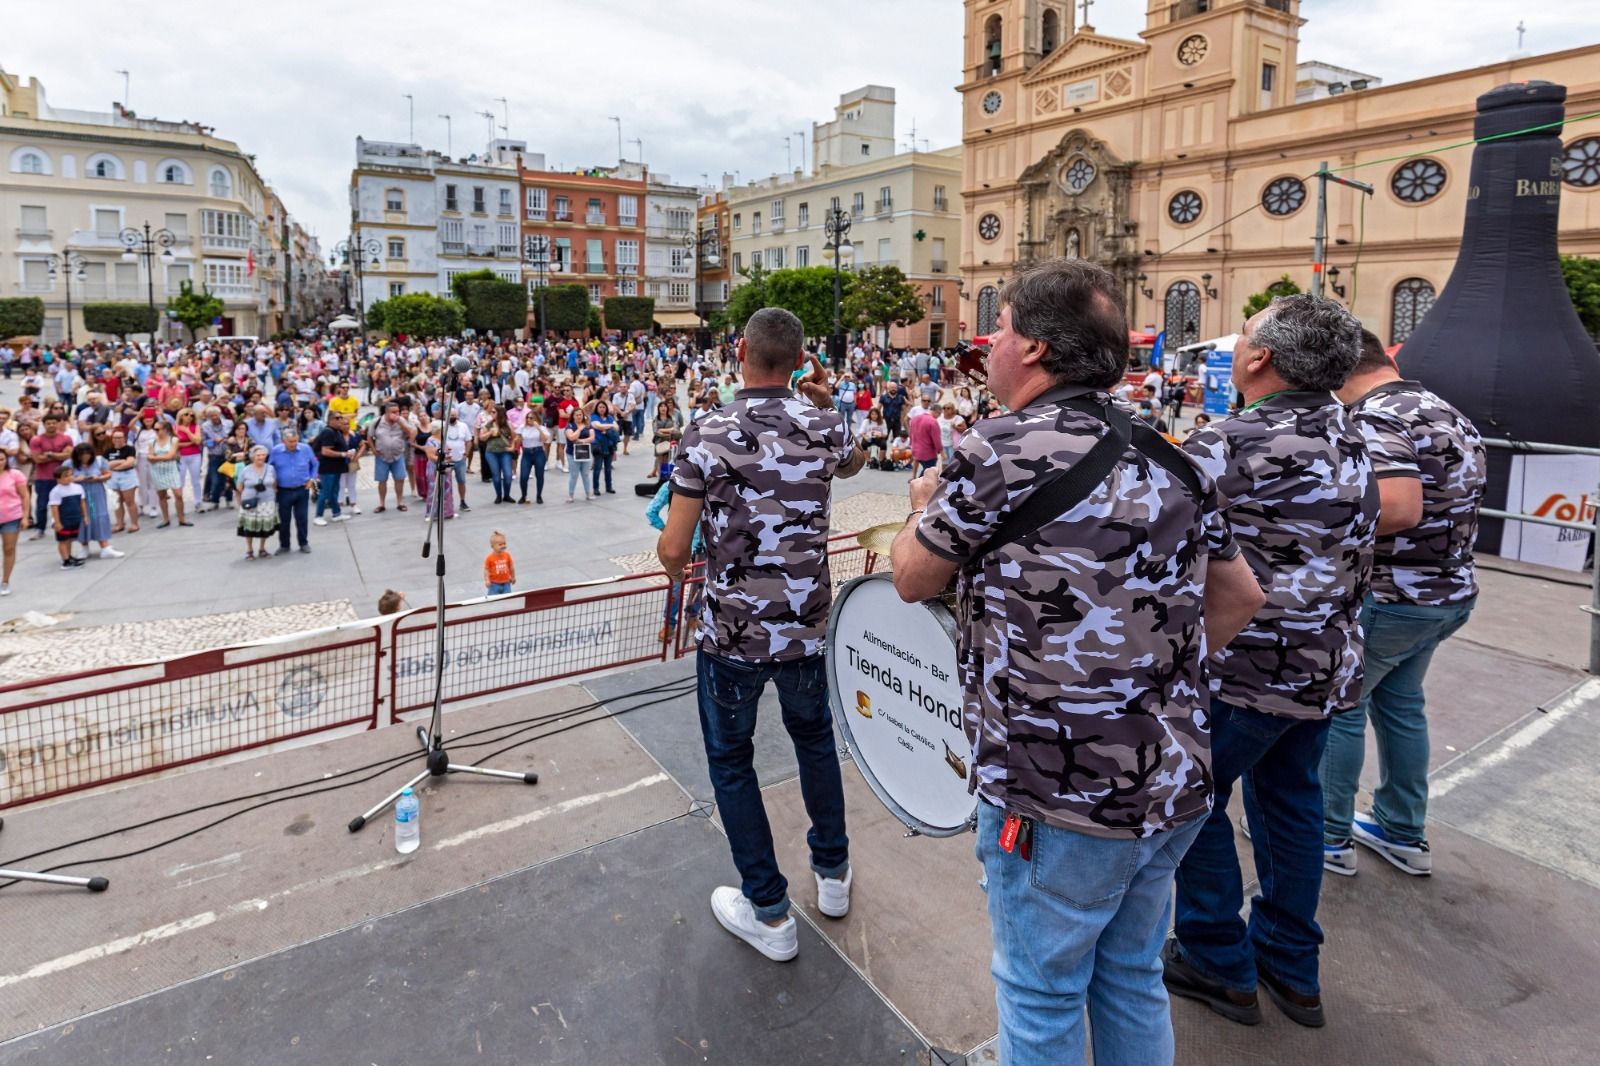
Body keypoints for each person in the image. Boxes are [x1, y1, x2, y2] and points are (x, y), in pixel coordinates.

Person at [887, 258, 1262, 1066]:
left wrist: (920, 511)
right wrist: (1145, 680)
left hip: (1058, 796)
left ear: (1035, 349)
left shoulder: (1000, 449)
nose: (987, 346)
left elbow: (914, 578)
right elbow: (1239, 598)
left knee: (1042, 994)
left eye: (1002, 328)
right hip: (1172, 777)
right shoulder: (1174, 455)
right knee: (1129, 977)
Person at [1165, 294, 1376, 1031]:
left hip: (1242, 670)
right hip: (1325, 665)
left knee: (1188, 804)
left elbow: (1162, 553)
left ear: (1259, 359)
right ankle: (1290, 963)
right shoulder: (1355, 435)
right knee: (1292, 807)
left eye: (1246, 337)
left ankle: (1217, 957)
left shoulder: (1227, 442)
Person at [656, 307, 867, 964]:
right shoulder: (825, 425)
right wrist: (829, 404)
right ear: (800, 360)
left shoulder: (708, 431)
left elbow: (672, 546)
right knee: (815, 744)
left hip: (732, 633)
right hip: (806, 626)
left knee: (731, 762)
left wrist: (691, 569)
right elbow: (855, 464)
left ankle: (769, 910)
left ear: (740, 349)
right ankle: (832, 874)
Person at [1320, 330, 1486, 877]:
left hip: (1394, 595)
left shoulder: (1374, 416)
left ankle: (1328, 835)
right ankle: (1400, 829)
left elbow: (1397, 506)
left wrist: (1319, 526)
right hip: (1446, 593)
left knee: (1342, 709)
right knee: (1401, 705)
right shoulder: (1442, 409)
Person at [66, 443, 123, 559]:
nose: (85, 458)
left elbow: (108, 474)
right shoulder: (69, 463)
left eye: (87, 455)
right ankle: (84, 547)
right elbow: (61, 478)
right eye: (82, 455)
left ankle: (104, 546)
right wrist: (76, 479)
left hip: (96, 491)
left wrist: (99, 478)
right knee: (82, 518)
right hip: (78, 493)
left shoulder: (99, 460)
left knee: (99, 516)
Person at [268, 429, 317, 555]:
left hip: (302, 489)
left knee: (302, 518)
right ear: (283, 441)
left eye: (295, 441)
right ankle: (284, 545)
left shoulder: (305, 448)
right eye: (290, 442)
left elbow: (315, 464)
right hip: (283, 491)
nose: (293, 444)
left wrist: (312, 479)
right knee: (284, 520)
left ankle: (303, 543)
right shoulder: (276, 451)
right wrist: (272, 482)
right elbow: (269, 467)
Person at [28, 413, 73, 538]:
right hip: (43, 477)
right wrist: (59, 454)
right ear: (44, 425)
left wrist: (50, 454)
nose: (51, 425)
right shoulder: (36, 439)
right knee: (42, 504)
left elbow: (69, 455)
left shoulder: (66, 438)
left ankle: (65, 526)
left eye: (54, 423)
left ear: (58, 424)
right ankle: (40, 529)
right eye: (48, 423)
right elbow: (37, 459)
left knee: (65, 503)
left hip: (62, 477)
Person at [235, 445, 279, 560]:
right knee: (249, 527)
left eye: (263, 455)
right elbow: (239, 487)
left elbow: (274, 483)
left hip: (267, 501)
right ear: (252, 456)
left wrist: (272, 493)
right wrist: (245, 497)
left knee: (264, 526)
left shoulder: (270, 468)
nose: (261, 457)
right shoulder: (245, 470)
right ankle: (249, 550)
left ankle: (262, 549)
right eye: (258, 455)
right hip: (251, 502)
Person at [312, 412, 354, 526]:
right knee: (325, 492)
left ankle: (336, 513)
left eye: (341, 417)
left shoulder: (336, 432)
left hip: (336, 467)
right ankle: (318, 516)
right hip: (328, 467)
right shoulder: (328, 432)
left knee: (334, 491)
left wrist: (346, 452)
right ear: (330, 420)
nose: (340, 420)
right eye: (337, 418)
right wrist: (343, 454)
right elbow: (326, 451)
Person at [371, 402, 413, 513]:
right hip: (382, 456)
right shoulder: (377, 421)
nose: (396, 414)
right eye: (393, 412)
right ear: (386, 412)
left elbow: (410, 432)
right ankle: (381, 503)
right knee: (382, 480)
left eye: (397, 411)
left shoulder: (401, 420)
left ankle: (400, 502)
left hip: (398, 455)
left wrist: (399, 421)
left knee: (399, 479)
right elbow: (369, 436)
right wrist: (373, 449)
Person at [148, 420, 192, 528]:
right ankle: (165, 519)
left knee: (178, 494)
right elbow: (149, 457)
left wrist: (156, 457)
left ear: (165, 429)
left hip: (171, 469)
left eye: (157, 429)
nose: (155, 431)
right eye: (155, 429)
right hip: (157, 471)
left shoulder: (174, 440)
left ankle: (182, 519)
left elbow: (170, 455)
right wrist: (163, 457)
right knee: (162, 495)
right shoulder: (152, 442)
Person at [48, 465, 87, 569]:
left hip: (75, 518)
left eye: (71, 475)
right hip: (63, 520)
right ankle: (65, 561)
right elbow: (54, 508)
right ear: (58, 478)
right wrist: (57, 522)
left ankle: (69, 557)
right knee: (63, 540)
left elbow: (82, 503)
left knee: (69, 539)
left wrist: (85, 516)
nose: (69, 477)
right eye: (65, 476)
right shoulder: (56, 491)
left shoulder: (78, 487)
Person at [0, 459, 28, 594]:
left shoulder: (15, 474)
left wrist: (25, 516)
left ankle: (5, 581)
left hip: (11, 517)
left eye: (1, 459)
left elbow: (25, 496)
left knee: (9, 549)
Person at [106, 427, 141, 533]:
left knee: (129, 500)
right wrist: (121, 461)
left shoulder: (130, 449)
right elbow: (106, 464)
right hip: (113, 477)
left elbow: (130, 462)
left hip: (127, 475)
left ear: (124, 438)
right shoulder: (108, 451)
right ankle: (120, 523)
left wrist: (115, 465)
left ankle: (134, 524)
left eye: (120, 437)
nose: (117, 440)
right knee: (117, 501)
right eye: (115, 438)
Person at [479, 405, 516, 504]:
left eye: (494, 412)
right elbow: (481, 438)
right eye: (491, 412)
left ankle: (507, 495)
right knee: (496, 475)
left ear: (500, 413)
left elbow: (515, 437)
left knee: (508, 475)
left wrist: (512, 447)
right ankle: (498, 495)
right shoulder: (489, 424)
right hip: (491, 452)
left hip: (505, 452)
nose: (492, 414)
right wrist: (490, 433)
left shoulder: (507, 424)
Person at [517, 402, 552, 505]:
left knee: (539, 475)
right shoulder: (522, 427)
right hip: (527, 453)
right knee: (523, 476)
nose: (529, 420)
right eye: (528, 418)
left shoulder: (542, 428)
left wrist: (538, 428)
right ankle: (523, 495)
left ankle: (539, 495)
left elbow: (545, 439)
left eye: (531, 418)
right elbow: (518, 439)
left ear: (536, 418)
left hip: (538, 452)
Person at [589, 400, 619, 495]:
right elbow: (597, 426)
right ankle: (596, 488)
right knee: (597, 468)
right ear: (597, 408)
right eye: (600, 407)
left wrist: (604, 428)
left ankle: (609, 486)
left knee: (608, 468)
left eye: (603, 407)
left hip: (609, 445)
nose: (602, 409)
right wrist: (610, 426)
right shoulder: (594, 417)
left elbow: (617, 428)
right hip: (599, 445)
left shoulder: (610, 417)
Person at [565, 409, 594, 503]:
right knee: (574, 475)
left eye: (580, 414)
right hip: (572, 454)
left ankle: (588, 494)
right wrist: (580, 429)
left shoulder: (588, 425)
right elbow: (572, 437)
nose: (579, 416)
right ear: (573, 416)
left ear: (583, 415)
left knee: (586, 474)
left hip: (585, 453)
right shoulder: (569, 426)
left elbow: (592, 438)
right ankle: (571, 495)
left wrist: (581, 441)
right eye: (576, 415)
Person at [908, 401, 942, 474]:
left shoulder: (915, 418)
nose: (938, 416)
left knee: (924, 469)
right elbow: (936, 439)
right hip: (928, 452)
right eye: (939, 414)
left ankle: (915, 479)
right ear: (937, 412)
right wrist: (940, 450)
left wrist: (911, 444)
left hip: (916, 449)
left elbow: (911, 433)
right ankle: (919, 482)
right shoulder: (933, 422)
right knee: (928, 472)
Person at [484, 530, 516, 596]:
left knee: (507, 597)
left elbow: (511, 567)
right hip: (494, 584)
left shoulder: (507, 555)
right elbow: (486, 570)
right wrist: (487, 580)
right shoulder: (489, 558)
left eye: (504, 543)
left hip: (506, 583)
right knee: (493, 598)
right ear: (492, 546)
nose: (503, 546)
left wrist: (513, 577)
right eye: (500, 544)